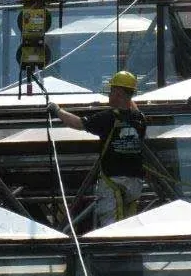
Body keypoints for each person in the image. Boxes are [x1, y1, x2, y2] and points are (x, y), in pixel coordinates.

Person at [47, 70, 146, 227]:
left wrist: (57, 111)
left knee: (111, 227)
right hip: (135, 184)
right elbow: (131, 106)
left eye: (112, 91)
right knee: (130, 226)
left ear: (119, 93)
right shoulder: (139, 119)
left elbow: (78, 123)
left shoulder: (107, 118)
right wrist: (127, 97)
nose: (109, 95)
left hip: (113, 181)